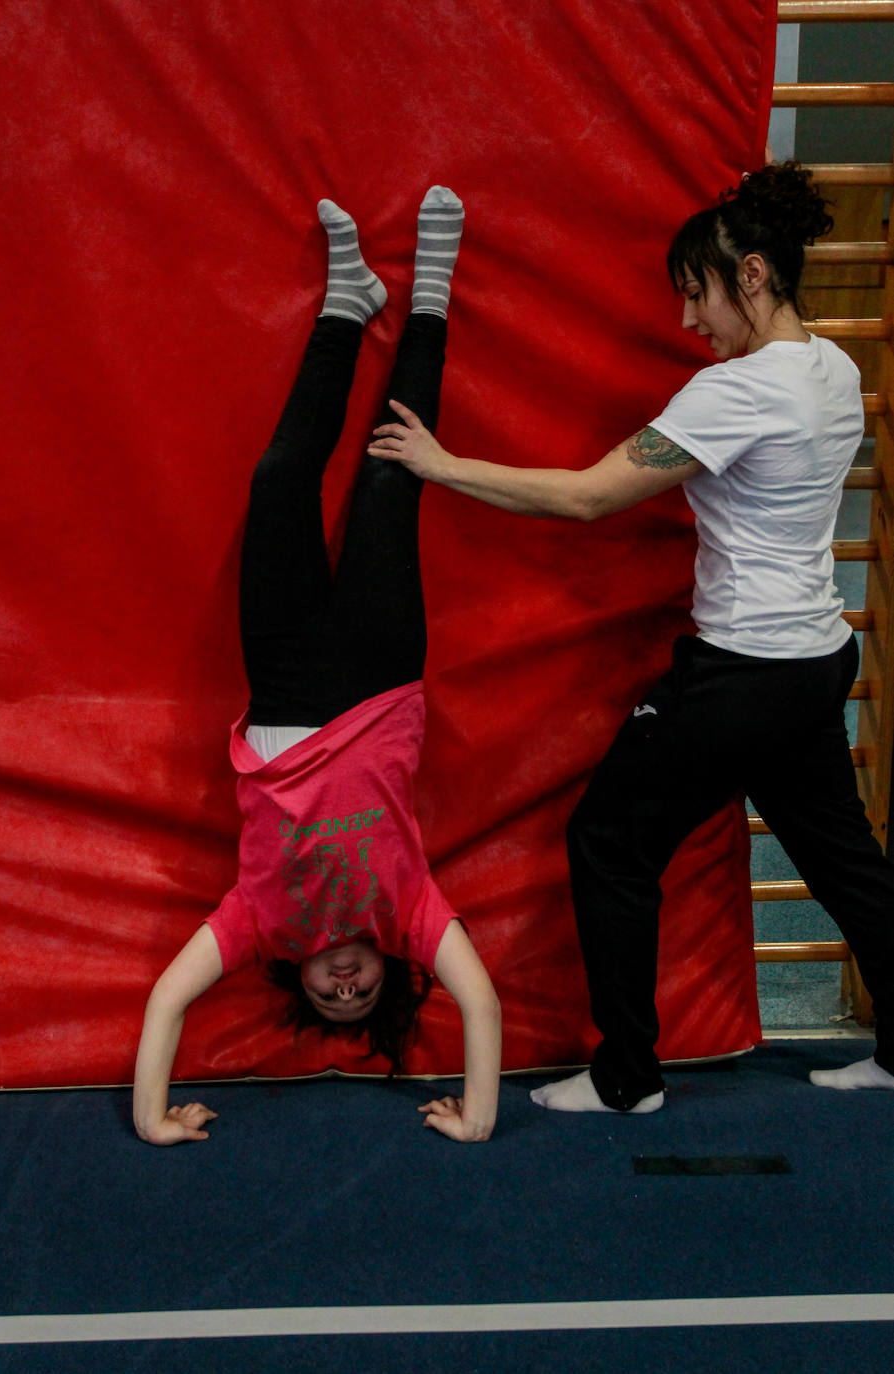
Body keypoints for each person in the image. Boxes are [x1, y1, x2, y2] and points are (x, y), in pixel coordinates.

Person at [368, 161, 894, 1113]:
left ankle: (625, 1079)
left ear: (752, 277)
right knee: (848, 866)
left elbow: (585, 498)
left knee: (607, 839)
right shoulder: (835, 367)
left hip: (741, 673)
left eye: (697, 294)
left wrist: (441, 465)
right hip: (814, 662)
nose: (689, 322)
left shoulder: (734, 392)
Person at [133, 189, 501, 1146]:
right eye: (361, 995)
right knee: (389, 477)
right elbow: (483, 1004)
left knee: (277, 482)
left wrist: (153, 1119)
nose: (345, 985)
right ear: (386, 971)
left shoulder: (257, 920)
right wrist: (474, 1114)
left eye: (329, 997)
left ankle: (346, 306)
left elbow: (168, 1001)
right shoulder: (408, 911)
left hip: (286, 687)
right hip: (379, 686)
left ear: (296, 975)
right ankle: (429, 295)